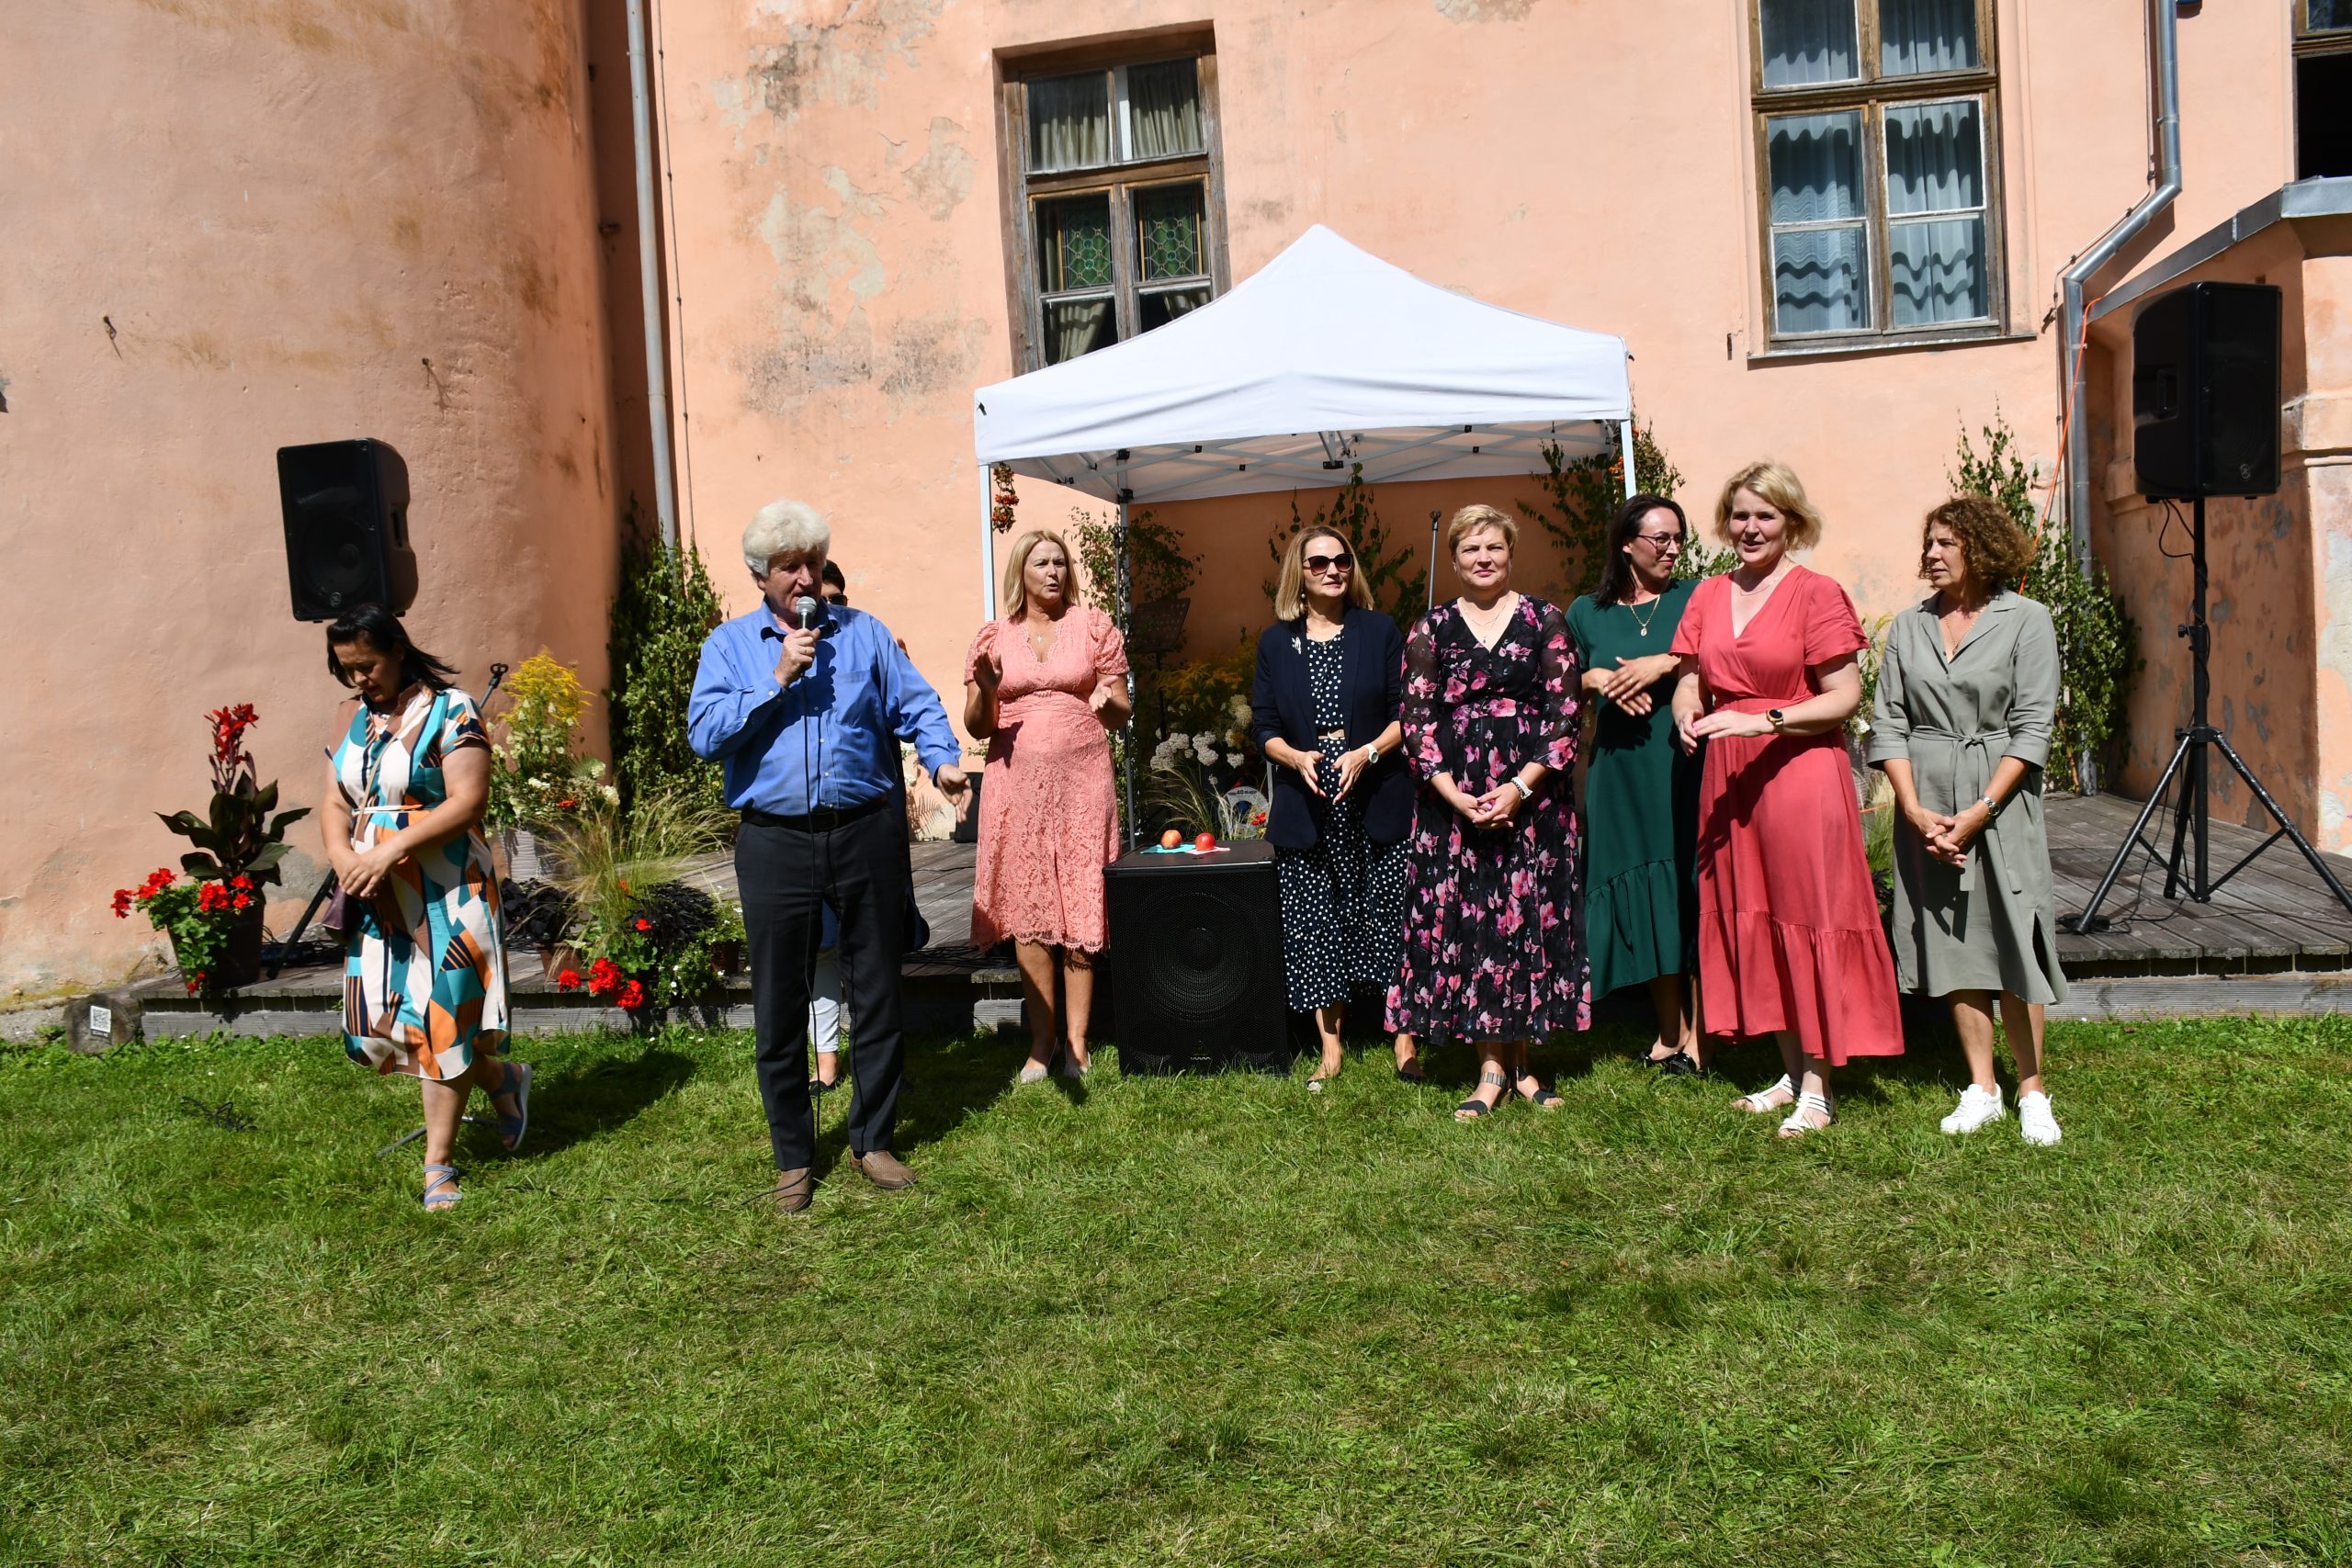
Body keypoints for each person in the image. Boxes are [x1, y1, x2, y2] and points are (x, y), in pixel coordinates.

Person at [689, 499, 969, 1213]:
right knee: (779, 998)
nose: (806, 578)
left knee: (876, 988)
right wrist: (776, 677)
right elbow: (706, 734)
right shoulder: (729, 647)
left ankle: (872, 1138)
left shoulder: (865, 634)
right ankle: (793, 1156)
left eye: (813, 562)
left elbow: (919, 705)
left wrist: (942, 760)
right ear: (761, 576)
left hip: (864, 831)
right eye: (790, 566)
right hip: (774, 838)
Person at [1668, 462, 1903, 1136]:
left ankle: (1820, 1086)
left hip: (1798, 770)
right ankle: (1791, 1071)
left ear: (1791, 522)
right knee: (1756, 914)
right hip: (1729, 775)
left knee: (1805, 916)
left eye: (1765, 515)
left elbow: (1844, 695)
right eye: (1740, 514)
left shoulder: (1816, 593)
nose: (1750, 528)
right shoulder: (1708, 594)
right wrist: (1686, 710)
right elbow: (1690, 678)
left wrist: (1763, 721)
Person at [1871, 496, 2068, 1145]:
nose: (1930, 554)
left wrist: (1980, 810)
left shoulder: (2027, 619)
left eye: (1945, 543)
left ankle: (2032, 1090)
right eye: (1928, 542)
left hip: (2001, 799)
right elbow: (1889, 722)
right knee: (1952, 936)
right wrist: (1912, 808)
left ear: (1980, 549)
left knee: (2013, 933)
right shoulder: (1909, 627)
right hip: (1925, 798)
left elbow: (2033, 726)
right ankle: (1982, 1085)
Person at [320, 604, 526, 1211]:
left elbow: (468, 800)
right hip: (376, 892)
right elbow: (335, 803)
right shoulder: (350, 718)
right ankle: (501, 1078)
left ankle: (438, 1164)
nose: (359, 678)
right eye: (346, 668)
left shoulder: (452, 709)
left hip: (448, 888)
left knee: (444, 1020)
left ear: (398, 649)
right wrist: (343, 856)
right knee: (379, 1023)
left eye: (367, 664)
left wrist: (392, 849)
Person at [1386, 504, 1589, 1120]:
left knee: (1525, 919)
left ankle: (1524, 1065)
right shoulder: (1432, 627)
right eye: (1471, 549)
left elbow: (1565, 713)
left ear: (1510, 554)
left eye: (1494, 547)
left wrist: (1519, 789)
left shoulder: (1545, 619)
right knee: (1474, 925)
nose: (1483, 558)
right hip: (1455, 802)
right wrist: (1455, 795)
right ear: (1454, 560)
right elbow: (1416, 720)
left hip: (1534, 797)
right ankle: (1491, 1068)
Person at [1251, 525, 1419, 1089]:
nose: (1331, 570)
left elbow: (1406, 714)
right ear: (1298, 574)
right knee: (1316, 920)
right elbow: (1264, 726)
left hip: (1375, 789)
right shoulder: (1277, 642)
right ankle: (1331, 1044)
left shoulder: (1379, 630)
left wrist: (1367, 754)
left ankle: (1403, 1037)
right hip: (1309, 799)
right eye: (1318, 562)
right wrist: (1295, 757)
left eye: (1341, 560)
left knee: (1390, 913)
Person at [963, 528, 1130, 1081]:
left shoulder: (1093, 626)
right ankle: (1042, 1042)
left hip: (1083, 780)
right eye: (1042, 563)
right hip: (1015, 785)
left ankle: (1077, 1043)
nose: (1054, 572)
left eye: (1060, 562)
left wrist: (1105, 704)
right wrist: (988, 689)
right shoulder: (993, 637)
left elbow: (1120, 711)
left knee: (1080, 901)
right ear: (1021, 572)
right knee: (1028, 907)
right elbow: (978, 725)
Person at [1566, 494, 1704, 1075]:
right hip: (1618, 770)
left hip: (1682, 759)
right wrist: (1594, 677)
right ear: (1626, 543)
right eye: (1660, 539)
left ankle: (1701, 1037)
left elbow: (1721, 658)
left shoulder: (1697, 597)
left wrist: (1664, 663)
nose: (1673, 549)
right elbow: (1556, 682)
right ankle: (1669, 1032)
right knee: (1643, 893)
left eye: (1678, 538)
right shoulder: (1585, 612)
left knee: (1687, 890)